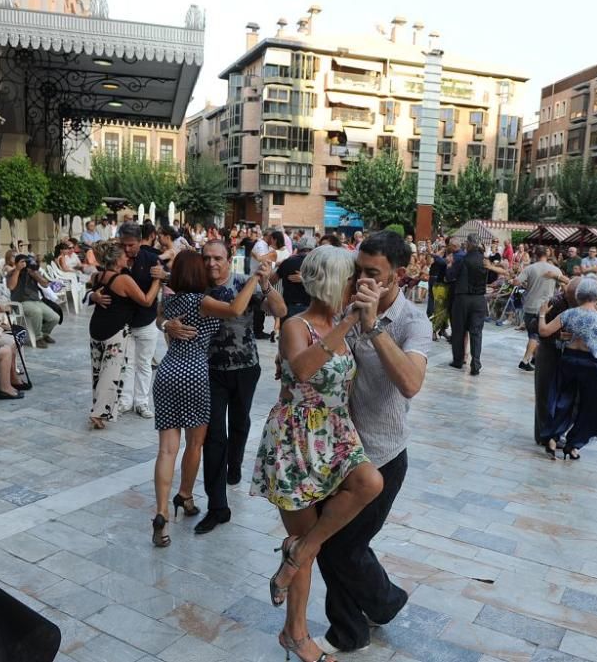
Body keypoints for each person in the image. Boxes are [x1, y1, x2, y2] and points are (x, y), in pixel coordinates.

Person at [250, 246, 384, 662]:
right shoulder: (297, 324)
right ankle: (296, 634)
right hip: (295, 440)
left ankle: (301, 552)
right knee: (302, 542)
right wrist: (345, 323)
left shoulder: (352, 326)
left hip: (335, 432)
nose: (355, 286)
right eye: (350, 279)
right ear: (331, 282)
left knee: (369, 482)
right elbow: (303, 369)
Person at [315, 230, 430, 655]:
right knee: (334, 544)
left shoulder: (413, 323)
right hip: (338, 450)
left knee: (340, 545)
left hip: (383, 456)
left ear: (398, 276)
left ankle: (370, 614)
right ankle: (367, 615)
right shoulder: (344, 306)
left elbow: (411, 383)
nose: (361, 280)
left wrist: (373, 327)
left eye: (372, 274)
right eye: (357, 271)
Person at [164, 240, 286, 534]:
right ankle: (218, 506)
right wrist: (166, 325)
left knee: (240, 423)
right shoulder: (195, 288)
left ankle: (235, 464)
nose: (211, 264)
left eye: (217, 258)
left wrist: (266, 283)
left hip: (245, 368)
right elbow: (164, 312)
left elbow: (280, 309)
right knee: (214, 437)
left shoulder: (245, 282)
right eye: (206, 258)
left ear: (230, 259)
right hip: (208, 372)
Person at [538, 278, 597, 459]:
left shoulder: (569, 314)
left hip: (568, 360)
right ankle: (574, 445)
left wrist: (542, 314)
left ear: (579, 294)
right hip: (590, 365)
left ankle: (552, 437)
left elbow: (544, 331)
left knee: (562, 400)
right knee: (592, 407)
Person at [87, 241, 163, 429]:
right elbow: (146, 301)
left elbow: (89, 288)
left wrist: (92, 295)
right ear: (116, 260)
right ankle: (99, 414)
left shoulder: (98, 275)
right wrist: (157, 281)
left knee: (98, 371)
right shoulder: (123, 280)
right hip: (114, 331)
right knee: (111, 372)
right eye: (123, 255)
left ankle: (99, 409)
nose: (126, 257)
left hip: (96, 327)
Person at [534, 277, 581, 446]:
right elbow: (535, 326)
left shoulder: (581, 305)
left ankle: (555, 433)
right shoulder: (556, 302)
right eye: (571, 298)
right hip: (549, 351)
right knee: (545, 394)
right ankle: (543, 435)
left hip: (569, 355)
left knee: (568, 397)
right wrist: (557, 334)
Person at [517, 245, 565, 372]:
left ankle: (533, 358)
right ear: (547, 255)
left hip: (530, 305)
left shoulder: (530, 268)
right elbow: (565, 285)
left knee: (532, 334)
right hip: (546, 306)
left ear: (535, 255)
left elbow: (517, 282)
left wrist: (527, 284)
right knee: (536, 335)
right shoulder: (555, 270)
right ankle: (526, 359)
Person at [447, 235, 488, 375]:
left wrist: (449, 265)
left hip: (462, 298)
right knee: (476, 332)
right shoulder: (484, 261)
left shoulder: (462, 259)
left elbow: (450, 276)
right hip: (479, 299)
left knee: (459, 331)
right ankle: (476, 362)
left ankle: (458, 360)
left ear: (470, 244)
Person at [6, 253, 60, 346]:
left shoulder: (32, 271)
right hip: (20, 302)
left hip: (35, 301)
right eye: (22, 262)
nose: (24, 264)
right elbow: (11, 286)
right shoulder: (12, 273)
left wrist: (35, 275)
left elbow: (45, 284)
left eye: (25, 262)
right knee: (37, 312)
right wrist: (18, 270)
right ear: (17, 263)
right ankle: (37, 338)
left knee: (55, 317)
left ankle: (44, 334)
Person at [272, 235, 315, 320]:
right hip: (311, 308)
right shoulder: (318, 264)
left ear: (298, 248)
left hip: (289, 307)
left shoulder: (288, 261)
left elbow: (272, 281)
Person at [427, 244, 451, 341]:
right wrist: (436, 253)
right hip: (437, 283)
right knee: (439, 309)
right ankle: (434, 330)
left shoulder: (451, 257)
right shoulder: (439, 258)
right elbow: (432, 262)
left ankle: (443, 329)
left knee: (446, 310)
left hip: (447, 285)